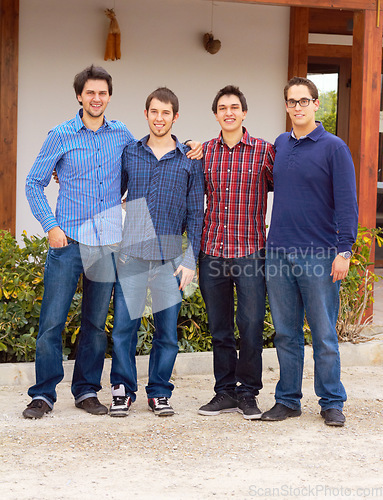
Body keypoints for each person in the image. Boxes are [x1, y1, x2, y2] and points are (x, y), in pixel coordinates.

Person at [23, 66, 201, 419]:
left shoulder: (121, 135)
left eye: (102, 93)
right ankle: (43, 394)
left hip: (106, 246)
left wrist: (194, 145)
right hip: (67, 242)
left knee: (93, 322)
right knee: (52, 321)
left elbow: (155, 150)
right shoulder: (60, 135)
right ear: (79, 96)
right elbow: (33, 183)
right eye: (90, 92)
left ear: (109, 97)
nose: (96, 98)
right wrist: (50, 226)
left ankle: (86, 390)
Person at [261, 76, 358, 427]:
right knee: (286, 333)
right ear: (286, 106)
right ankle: (287, 400)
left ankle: (332, 401)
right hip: (279, 254)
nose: (297, 107)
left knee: (323, 334)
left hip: (319, 255)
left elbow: (347, 203)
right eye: (292, 101)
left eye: (304, 101)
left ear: (316, 105)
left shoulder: (334, 147)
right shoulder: (281, 144)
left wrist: (344, 250)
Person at [109, 87, 204, 417]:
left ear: (175, 117)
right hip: (132, 256)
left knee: (166, 332)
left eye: (166, 113)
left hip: (170, 260)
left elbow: (196, 214)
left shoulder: (190, 161)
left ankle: (160, 392)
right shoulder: (130, 153)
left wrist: (191, 259)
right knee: (124, 328)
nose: (159, 118)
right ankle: (122, 391)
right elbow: (108, 192)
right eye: (154, 111)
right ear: (146, 114)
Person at [197, 85, 275, 420]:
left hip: (250, 251)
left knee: (252, 324)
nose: (228, 112)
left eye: (234, 107)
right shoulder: (204, 153)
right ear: (216, 114)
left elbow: (292, 184)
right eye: (222, 108)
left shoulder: (264, 151)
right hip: (213, 250)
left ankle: (248, 394)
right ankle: (224, 392)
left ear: (244, 113)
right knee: (220, 328)